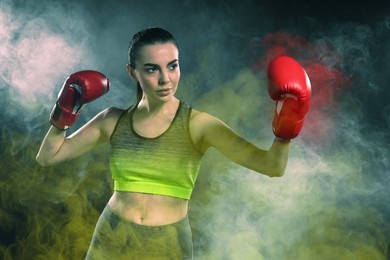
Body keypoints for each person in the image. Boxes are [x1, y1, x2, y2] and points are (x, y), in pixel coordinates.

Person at [36, 27, 311, 260]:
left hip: (167, 243)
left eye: (172, 66)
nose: (165, 79)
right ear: (133, 73)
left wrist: (288, 123)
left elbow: (272, 166)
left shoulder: (199, 124)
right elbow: (48, 157)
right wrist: (66, 109)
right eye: (152, 69)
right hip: (113, 235)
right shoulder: (112, 120)